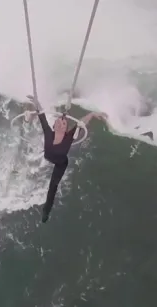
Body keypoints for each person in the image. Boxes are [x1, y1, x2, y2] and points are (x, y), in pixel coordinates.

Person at [24, 95, 107, 223]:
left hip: (61, 163)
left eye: (64, 123)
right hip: (49, 156)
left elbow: (81, 123)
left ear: (65, 128)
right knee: (47, 159)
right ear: (55, 125)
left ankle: (46, 212)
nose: (61, 123)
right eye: (60, 121)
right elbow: (42, 116)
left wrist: (91, 114)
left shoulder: (69, 137)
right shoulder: (48, 133)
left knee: (53, 187)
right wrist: (36, 102)